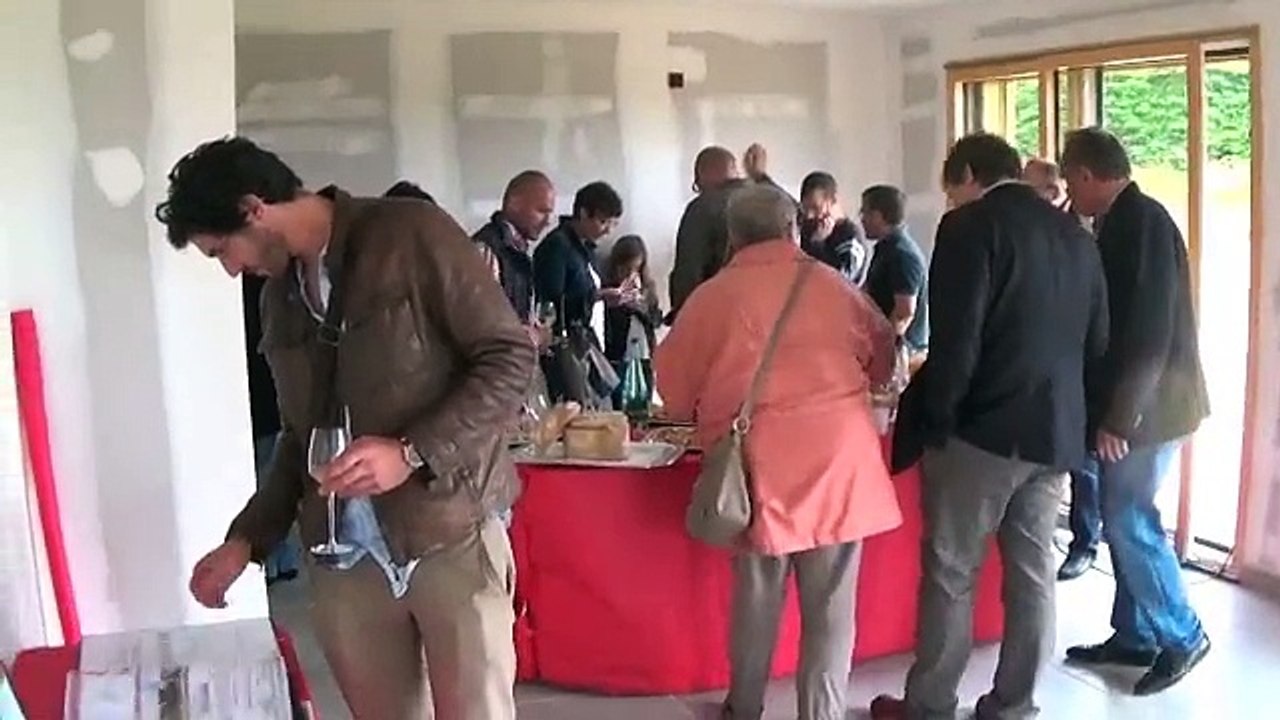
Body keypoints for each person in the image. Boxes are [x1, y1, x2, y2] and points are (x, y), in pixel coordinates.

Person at [159, 137, 535, 720]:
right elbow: (297, 436)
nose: (231, 269)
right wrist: (247, 540)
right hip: (343, 559)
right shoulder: (277, 298)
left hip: (451, 531)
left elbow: (510, 357)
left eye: (221, 251)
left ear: (255, 209)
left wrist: (410, 452)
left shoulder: (412, 234)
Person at [873, 133, 1109, 720]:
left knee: (952, 572)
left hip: (980, 432)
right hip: (1055, 433)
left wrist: (938, 419)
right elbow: (1099, 340)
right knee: (1032, 576)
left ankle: (928, 706)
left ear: (971, 175)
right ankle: (1014, 704)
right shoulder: (1076, 235)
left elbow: (958, 341)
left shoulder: (970, 228)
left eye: (952, 191)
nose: (951, 204)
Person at [656, 185, 902, 720]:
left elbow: (673, 389)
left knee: (757, 597)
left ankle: (744, 707)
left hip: (759, 464)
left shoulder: (712, 296)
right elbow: (884, 357)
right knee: (832, 607)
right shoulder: (834, 286)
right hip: (839, 460)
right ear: (793, 229)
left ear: (733, 238)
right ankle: (823, 711)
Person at [1060, 127, 1212, 695]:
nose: (1070, 197)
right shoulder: (1117, 222)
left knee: (1128, 518)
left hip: (1152, 409)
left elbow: (1148, 335)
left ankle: (1182, 633)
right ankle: (1134, 635)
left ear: (1084, 175)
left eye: (1071, 182)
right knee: (1123, 520)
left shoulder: (1142, 224)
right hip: (1139, 406)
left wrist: (1120, 419)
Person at [1024, 157, 1104, 581]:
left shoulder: (1085, 231)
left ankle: (1085, 541)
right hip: (1050, 366)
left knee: (1085, 466)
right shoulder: (1044, 231)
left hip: (1084, 367)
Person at [533, 181, 625, 402]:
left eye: (612, 223)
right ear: (583, 213)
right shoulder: (557, 246)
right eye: (603, 221)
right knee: (578, 411)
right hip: (564, 345)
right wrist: (598, 296)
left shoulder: (586, 247)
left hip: (585, 340)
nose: (607, 230)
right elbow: (551, 299)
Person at [242, 274, 300, 586]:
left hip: (258, 400)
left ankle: (273, 561)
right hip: (271, 399)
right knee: (273, 475)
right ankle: (281, 560)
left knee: (270, 479)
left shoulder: (262, 295)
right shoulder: (271, 292)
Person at [668, 146, 749, 319]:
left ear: (706, 174)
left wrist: (682, 317)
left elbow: (689, 271)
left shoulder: (703, 208)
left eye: (697, 182)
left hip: (720, 316)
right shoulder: (768, 203)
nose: (698, 186)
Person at [473, 170, 557, 324]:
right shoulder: (486, 250)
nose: (548, 221)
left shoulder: (518, 250)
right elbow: (481, 322)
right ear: (515, 204)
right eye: (541, 211)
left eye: (550, 213)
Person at [860, 185, 928, 353]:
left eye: (865, 212)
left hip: (904, 352)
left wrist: (884, 352)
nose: (861, 219)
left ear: (878, 216)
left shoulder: (901, 254)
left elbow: (903, 313)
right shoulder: (886, 249)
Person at [601, 234, 663, 366]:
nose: (630, 275)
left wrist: (641, 308)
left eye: (636, 270)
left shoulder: (647, 289)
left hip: (643, 355)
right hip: (618, 356)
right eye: (625, 269)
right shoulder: (607, 289)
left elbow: (656, 320)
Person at [798, 171, 867, 284]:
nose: (809, 215)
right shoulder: (808, 227)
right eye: (806, 208)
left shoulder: (851, 237)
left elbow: (841, 280)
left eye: (816, 208)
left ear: (833, 200)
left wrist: (817, 245)